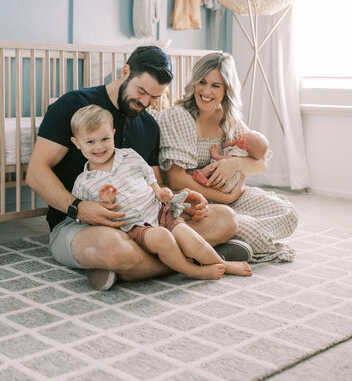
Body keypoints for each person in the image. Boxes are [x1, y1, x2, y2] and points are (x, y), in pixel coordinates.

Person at [26, 46, 251, 291]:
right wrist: (78, 208)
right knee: (113, 249)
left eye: (154, 98)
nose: (145, 102)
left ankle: (132, 270)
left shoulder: (148, 125)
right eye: (141, 91)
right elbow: (36, 172)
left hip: (147, 220)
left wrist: (179, 200)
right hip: (80, 225)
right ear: (125, 72)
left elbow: (155, 183)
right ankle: (192, 259)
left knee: (226, 219)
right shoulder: (74, 105)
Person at [70, 105, 252, 286]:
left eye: (104, 139)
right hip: (134, 228)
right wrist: (104, 204)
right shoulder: (83, 182)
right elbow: (85, 217)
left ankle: (223, 264)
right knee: (161, 238)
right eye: (90, 142)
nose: (99, 146)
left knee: (190, 238)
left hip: (160, 211)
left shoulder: (129, 156)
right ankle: (192, 271)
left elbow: (149, 176)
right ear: (77, 143)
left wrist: (159, 191)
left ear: (113, 133)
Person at [157, 51, 299, 263]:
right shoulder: (178, 116)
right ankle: (221, 242)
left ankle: (222, 244)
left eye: (216, 85)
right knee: (248, 228)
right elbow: (177, 180)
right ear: (194, 83)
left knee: (288, 213)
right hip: (195, 202)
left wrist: (236, 163)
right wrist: (229, 197)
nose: (206, 91)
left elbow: (261, 165)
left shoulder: (229, 118)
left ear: (226, 90)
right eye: (202, 82)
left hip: (232, 196)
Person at [193, 130, 271, 192]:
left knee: (213, 166)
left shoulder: (240, 152)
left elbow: (228, 160)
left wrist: (215, 155)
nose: (240, 135)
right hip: (230, 184)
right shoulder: (239, 146)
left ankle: (204, 177)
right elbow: (223, 145)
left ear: (246, 149)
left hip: (228, 181)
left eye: (243, 137)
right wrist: (233, 142)